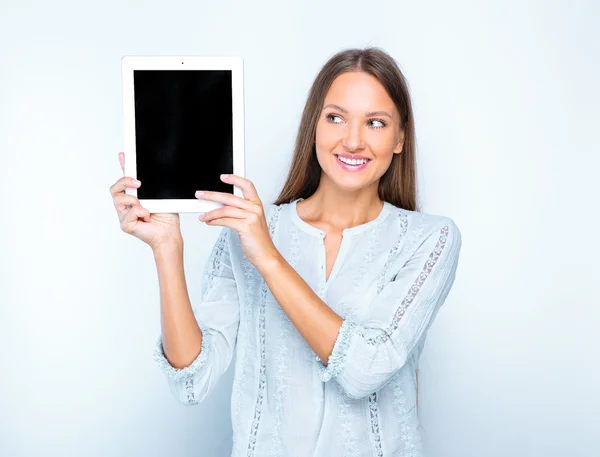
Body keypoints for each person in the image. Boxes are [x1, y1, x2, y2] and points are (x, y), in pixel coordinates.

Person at [110, 46, 462, 457]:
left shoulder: (430, 239)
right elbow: (192, 382)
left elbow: (366, 368)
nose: (352, 139)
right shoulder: (251, 230)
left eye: (376, 123)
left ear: (400, 137)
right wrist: (167, 249)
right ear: (314, 125)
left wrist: (268, 256)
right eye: (335, 117)